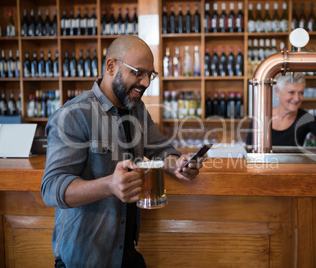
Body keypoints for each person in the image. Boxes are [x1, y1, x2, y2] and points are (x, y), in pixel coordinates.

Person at [41, 36, 204, 267]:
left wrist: (177, 164)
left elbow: (160, 149)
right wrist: (109, 185)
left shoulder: (136, 109)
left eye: (150, 74)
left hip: (125, 252)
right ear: (111, 67)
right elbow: (51, 188)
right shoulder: (74, 115)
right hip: (85, 258)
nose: (146, 82)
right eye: (138, 72)